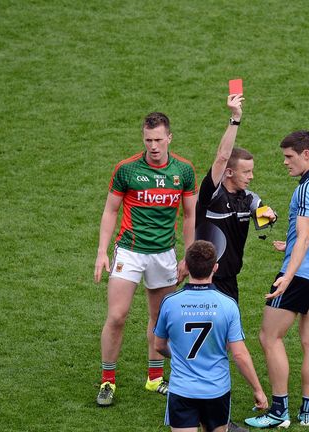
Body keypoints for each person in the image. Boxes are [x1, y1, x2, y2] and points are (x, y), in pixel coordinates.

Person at [93, 112, 197, 406]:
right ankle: (107, 381)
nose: (153, 145)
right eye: (148, 140)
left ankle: (154, 378)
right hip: (130, 251)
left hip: (164, 254)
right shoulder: (126, 169)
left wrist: (188, 257)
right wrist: (102, 252)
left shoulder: (184, 171)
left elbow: (190, 216)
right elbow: (110, 210)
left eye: (158, 140)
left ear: (169, 138)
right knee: (116, 316)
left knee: (159, 318)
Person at [245, 131, 309, 428]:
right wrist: (291, 243)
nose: (285, 163)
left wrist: (287, 275)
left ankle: (278, 412)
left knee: (268, 337)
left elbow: (305, 237)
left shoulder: (306, 189)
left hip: (299, 276)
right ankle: (307, 413)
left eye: (289, 157)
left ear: (306, 155)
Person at [154, 240, 269, 432]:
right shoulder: (228, 305)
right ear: (215, 267)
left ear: (187, 266)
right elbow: (240, 355)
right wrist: (258, 390)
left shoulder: (170, 303)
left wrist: (178, 356)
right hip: (216, 390)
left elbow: (158, 346)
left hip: (182, 390)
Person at [195, 93, 277, 302]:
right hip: (206, 278)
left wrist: (270, 215)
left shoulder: (248, 198)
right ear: (229, 172)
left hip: (230, 279)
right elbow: (222, 157)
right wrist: (235, 118)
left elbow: (263, 219)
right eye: (246, 172)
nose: (251, 176)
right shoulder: (211, 195)